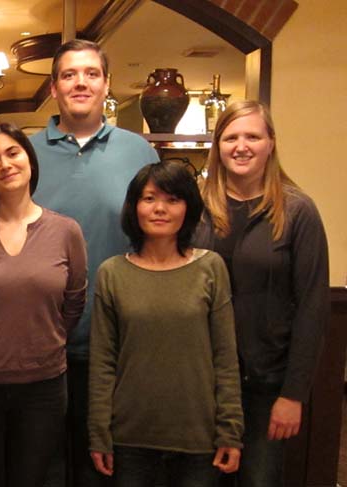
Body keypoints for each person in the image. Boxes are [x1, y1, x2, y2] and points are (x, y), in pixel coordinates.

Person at [28, 38, 159, 486]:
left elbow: (160, 241)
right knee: (40, 468)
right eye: (69, 74)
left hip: (117, 344)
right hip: (39, 344)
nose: (80, 82)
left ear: (107, 84)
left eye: (90, 73)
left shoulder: (139, 152)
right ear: (53, 87)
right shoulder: (23, 154)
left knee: (103, 470)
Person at [0, 123, 88, 487]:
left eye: (13, 153)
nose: (4, 165)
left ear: (30, 160)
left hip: (43, 384)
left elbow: (73, 303)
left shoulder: (65, 231)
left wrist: (41, 337)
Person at [193, 100, 330, 487]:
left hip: (266, 386)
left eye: (253, 135)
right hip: (204, 385)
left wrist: (294, 394)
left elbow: (313, 308)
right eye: (231, 136)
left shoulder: (298, 212)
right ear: (217, 146)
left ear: (270, 143)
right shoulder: (196, 210)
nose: (242, 145)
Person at [89, 160, 243, 486]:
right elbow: (103, 362)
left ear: (188, 207)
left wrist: (230, 430)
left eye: (173, 200)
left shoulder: (210, 268)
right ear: (134, 207)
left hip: (198, 439)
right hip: (130, 438)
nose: (160, 209)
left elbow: (226, 357)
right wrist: (99, 432)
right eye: (149, 199)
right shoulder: (112, 273)